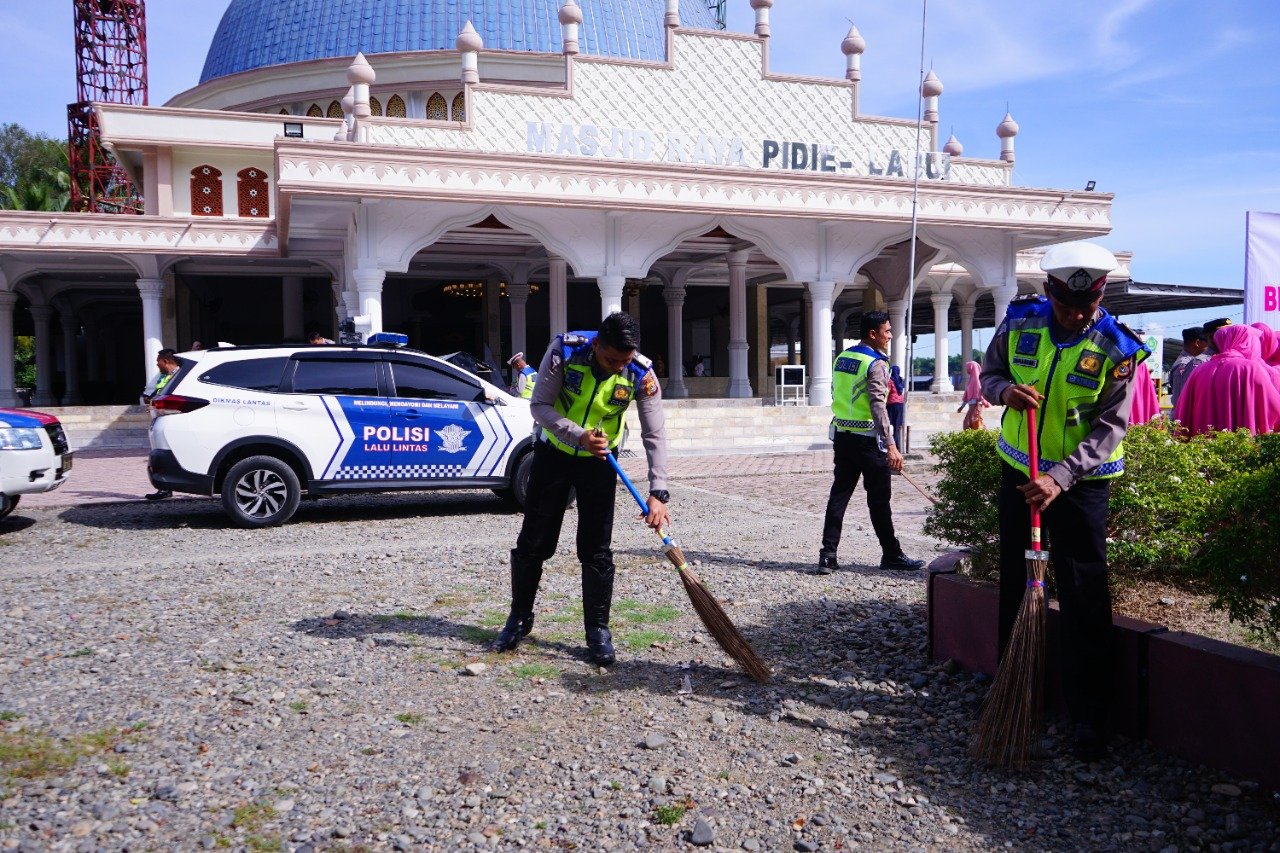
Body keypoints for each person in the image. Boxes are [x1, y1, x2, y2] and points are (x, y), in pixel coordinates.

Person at [980, 241, 1149, 762]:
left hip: (1081, 483)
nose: (1076, 315)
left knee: (1084, 592)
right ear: (1049, 291)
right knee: (1017, 580)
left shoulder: (1119, 347)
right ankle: (1017, 691)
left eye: (1086, 307)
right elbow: (989, 375)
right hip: (1019, 468)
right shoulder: (1020, 321)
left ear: (1099, 295)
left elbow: (1110, 427)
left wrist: (1061, 476)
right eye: (1066, 306)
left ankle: (1089, 718)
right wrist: (1005, 392)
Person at [491, 312, 670, 666]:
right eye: (611, 359)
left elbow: (655, 434)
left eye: (625, 361)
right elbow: (539, 406)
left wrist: (658, 492)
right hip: (553, 454)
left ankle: (597, 631)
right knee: (534, 543)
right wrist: (578, 435)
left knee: (596, 549)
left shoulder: (640, 373)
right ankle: (519, 619)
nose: (618, 367)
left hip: (600, 464)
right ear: (597, 345)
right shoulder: (565, 351)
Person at [817, 311, 926, 574]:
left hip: (843, 437)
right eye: (887, 332)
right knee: (879, 502)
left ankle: (827, 555)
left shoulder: (843, 357)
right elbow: (878, 405)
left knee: (839, 497)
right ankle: (892, 555)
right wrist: (891, 445)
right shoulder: (876, 363)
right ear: (872, 334)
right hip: (869, 442)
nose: (890, 336)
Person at [1172, 324, 1280, 436]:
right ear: (1246, 343)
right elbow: (1274, 408)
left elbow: (1183, 408)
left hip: (1203, 445)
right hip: (1239, 445)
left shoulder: (1199, 369)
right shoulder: (1251, 368)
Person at [141, 349, 181, 501]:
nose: (156, 364)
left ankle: (168, 487)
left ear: (165, 361)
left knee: (165, 454)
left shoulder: (179, 376)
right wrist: (151, 399)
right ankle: (165, 488)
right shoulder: (166, 376)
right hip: (161, 420)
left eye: (158, 361)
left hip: (171, 422)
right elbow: (160, 393)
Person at [1166, 327, 1209, 407]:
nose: (1210, 347)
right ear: (1197, 343)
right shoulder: (1185, 365)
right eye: (1208, 342)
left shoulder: (1189, 361)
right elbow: (1182, 399)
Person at [957, 360, 989, 430]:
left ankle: (979, 436)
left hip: (976, 404)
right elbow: (967, 395)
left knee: (970, 422)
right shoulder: (972, 379)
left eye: (968, 367)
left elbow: (979, 393)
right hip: (973, 404)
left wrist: (980, 402)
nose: (966, 369)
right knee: (973, 421)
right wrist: (962, 407)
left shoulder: (977, 380)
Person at [887, 364, 906, 452]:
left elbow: (887, 392)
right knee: (898, 424)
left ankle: (893, 443)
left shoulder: (890, 380)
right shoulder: (901, 380)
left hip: (891, 404)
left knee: (891, 425)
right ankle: (898, 444)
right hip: (900, 404)